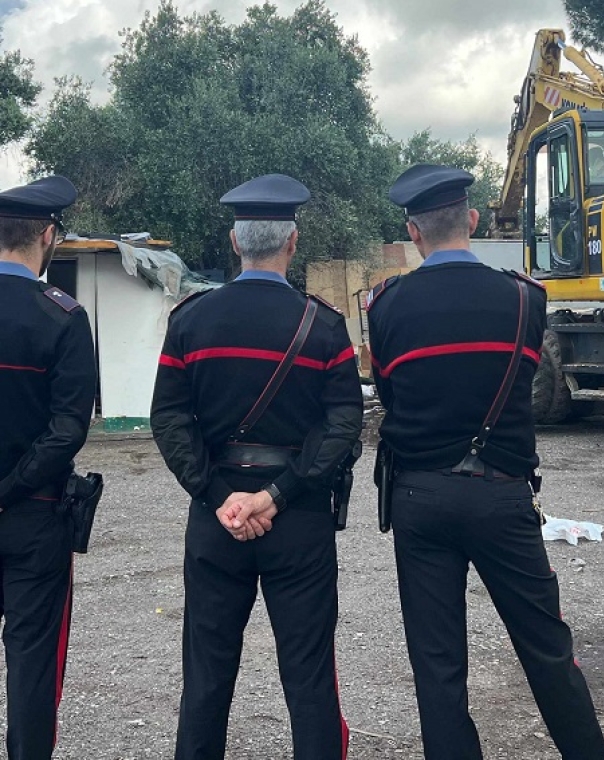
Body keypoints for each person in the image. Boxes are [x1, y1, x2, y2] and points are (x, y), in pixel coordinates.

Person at [367, 164, 604, 760]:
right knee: (547, 649)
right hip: (502, 492)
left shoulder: (386, 305)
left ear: (413, 232)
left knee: (437, 663)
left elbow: (390, 396)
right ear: (473, 220)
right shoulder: (525, 297)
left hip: (420, 496)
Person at [150, 174, 363, 760]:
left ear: (234, 241)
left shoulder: (190, 320)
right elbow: (344, 424)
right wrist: (277, 494)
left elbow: (169, 418)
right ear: (292, 242)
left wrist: (219, 495)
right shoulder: (323, 326)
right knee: (310, 678)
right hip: (299, 520)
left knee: (205, 679)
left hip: (216, 520)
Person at [0, 175, 96, 760]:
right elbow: (68, 429)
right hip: (34, 514)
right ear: (48, 236)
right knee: (33, 662)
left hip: (30, 509)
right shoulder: (62, 316)